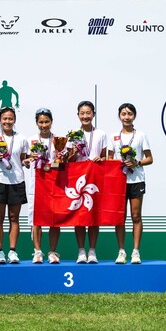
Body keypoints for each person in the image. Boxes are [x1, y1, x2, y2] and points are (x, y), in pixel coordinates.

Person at [108, 103, 153, 265]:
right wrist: (117, 163)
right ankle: (121, 252)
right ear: (119, 116)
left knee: (135, 216)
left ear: (134, 116)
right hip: (118, 182)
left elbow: (150, 158)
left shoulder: (140, 135)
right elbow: (109, 158)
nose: (126, 117)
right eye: (123, 114)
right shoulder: (113, 136)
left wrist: (137, 162)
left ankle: (135, 252)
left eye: (129, 114)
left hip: (136, 180)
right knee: (120, 218)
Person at [0, 106, 29, 265]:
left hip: (16, 181)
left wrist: (27, 162)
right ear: (0, 120)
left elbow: (23, 160)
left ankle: (12, 252)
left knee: (14, 218)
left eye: (10, 119)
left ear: (14, 120)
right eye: (5, 119)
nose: (7, 121)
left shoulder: (22, 138)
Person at [67, 101, 109, 264]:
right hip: (78, 178)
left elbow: (107, 157)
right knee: (79, 216)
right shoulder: (73, 135)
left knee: (93, 215)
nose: (85, 116)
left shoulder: (101, 134)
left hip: (95, 179)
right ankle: (81, 251)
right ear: (78, 115)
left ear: (93, 114)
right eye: (82, 113)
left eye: (88, 113)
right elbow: (68, 159)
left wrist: (102, 158)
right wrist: (75, 153)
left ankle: (92, 251)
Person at [22, 108, 60, 264]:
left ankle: (52, 251)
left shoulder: (59, 140)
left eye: (47, 122)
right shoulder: (30, 140)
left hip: (55, 185)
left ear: (51, 122)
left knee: (54, 219)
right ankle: (37, 251)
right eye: (41, 122)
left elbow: (61, 163)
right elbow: (24, 162)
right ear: (36, 123)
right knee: (36, 219)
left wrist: (58, 160)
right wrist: (27, 160)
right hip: (36, 185)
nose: (44, 125)